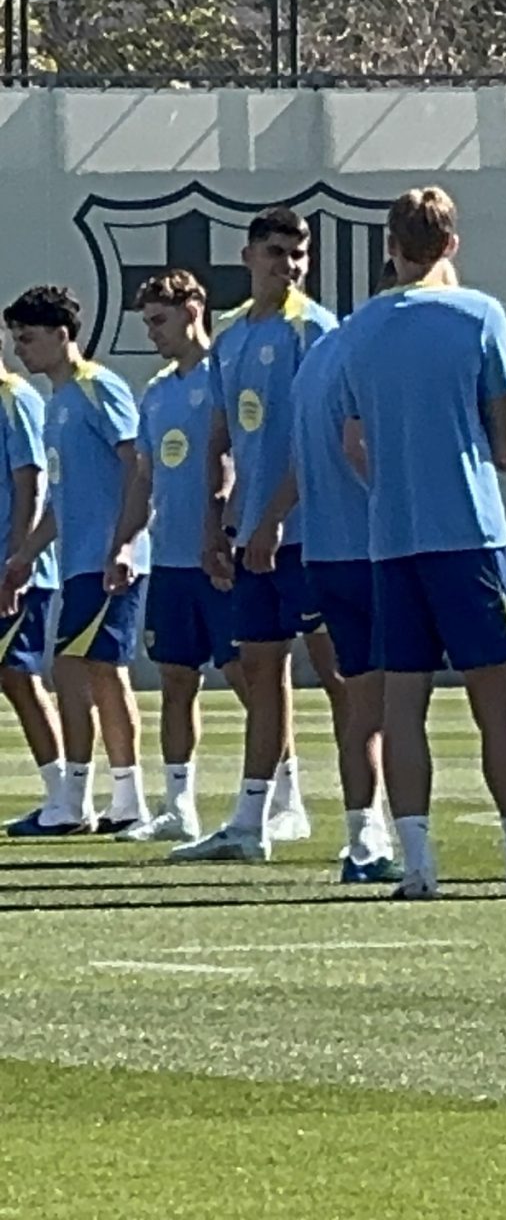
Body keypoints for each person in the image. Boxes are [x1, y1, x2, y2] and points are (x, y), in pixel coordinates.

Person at [333, 185, 506, 899]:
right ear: (451, 244)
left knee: (402, 705)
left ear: (391, 246)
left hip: (393, 541)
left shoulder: (357, 329)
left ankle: (419, 866)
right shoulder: (480, 313)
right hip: (469, 534)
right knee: (502, 700)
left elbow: (354, 441)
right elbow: (505, 435)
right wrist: (501, 452)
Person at [174, 206, 328, 859]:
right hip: (253, 537)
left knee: (343, 674)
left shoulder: (314, 329)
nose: (288, 265)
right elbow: (221, 438)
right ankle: (252, 820)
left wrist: (274, 519)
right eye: (276, 252)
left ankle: (370, 823)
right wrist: (217, 525)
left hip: (314, 536)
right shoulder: (231, 336)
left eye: (298, 254)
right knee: (261, 673)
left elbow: (318, 439)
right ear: (249, 256)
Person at [3, 285, 150, 835]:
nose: (21, 349)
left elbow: (137, 463)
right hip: (79, 561)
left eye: (29, 338)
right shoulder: (58, 403)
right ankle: (82, 801)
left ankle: (115, 801)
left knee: (97, 672)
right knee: (78, 672)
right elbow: (61, 501)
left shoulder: (96, 387)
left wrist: (125, 543)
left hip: (108, 559)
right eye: (17, 339)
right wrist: (25, 555)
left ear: (61, 335)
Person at [120, 269, 239, 843]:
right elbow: (144, 478)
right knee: (175, 678)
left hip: (220, 556)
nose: (153, 333)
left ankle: (279, 798)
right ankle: (178, 806)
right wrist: (125, 542)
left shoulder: (226, 375)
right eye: (147, 323)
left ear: (194, 310)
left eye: (159, 321)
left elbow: (238, 458)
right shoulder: (158, 391)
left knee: (250, 676)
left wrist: (226, 533)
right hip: (169, 560)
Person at [289, 295, 401, 883]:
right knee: (402, 700)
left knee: (362, 705)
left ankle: (363, 838)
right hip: (375, 551)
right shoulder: (365, 354)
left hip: (326, 552)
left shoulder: (317, 359)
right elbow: (358, 448)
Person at [0, 342, 68, 837]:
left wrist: (18, 557)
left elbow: (32, 480)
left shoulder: (14, 397)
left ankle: (64, 796)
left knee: (18, 676)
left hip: (15, 571)